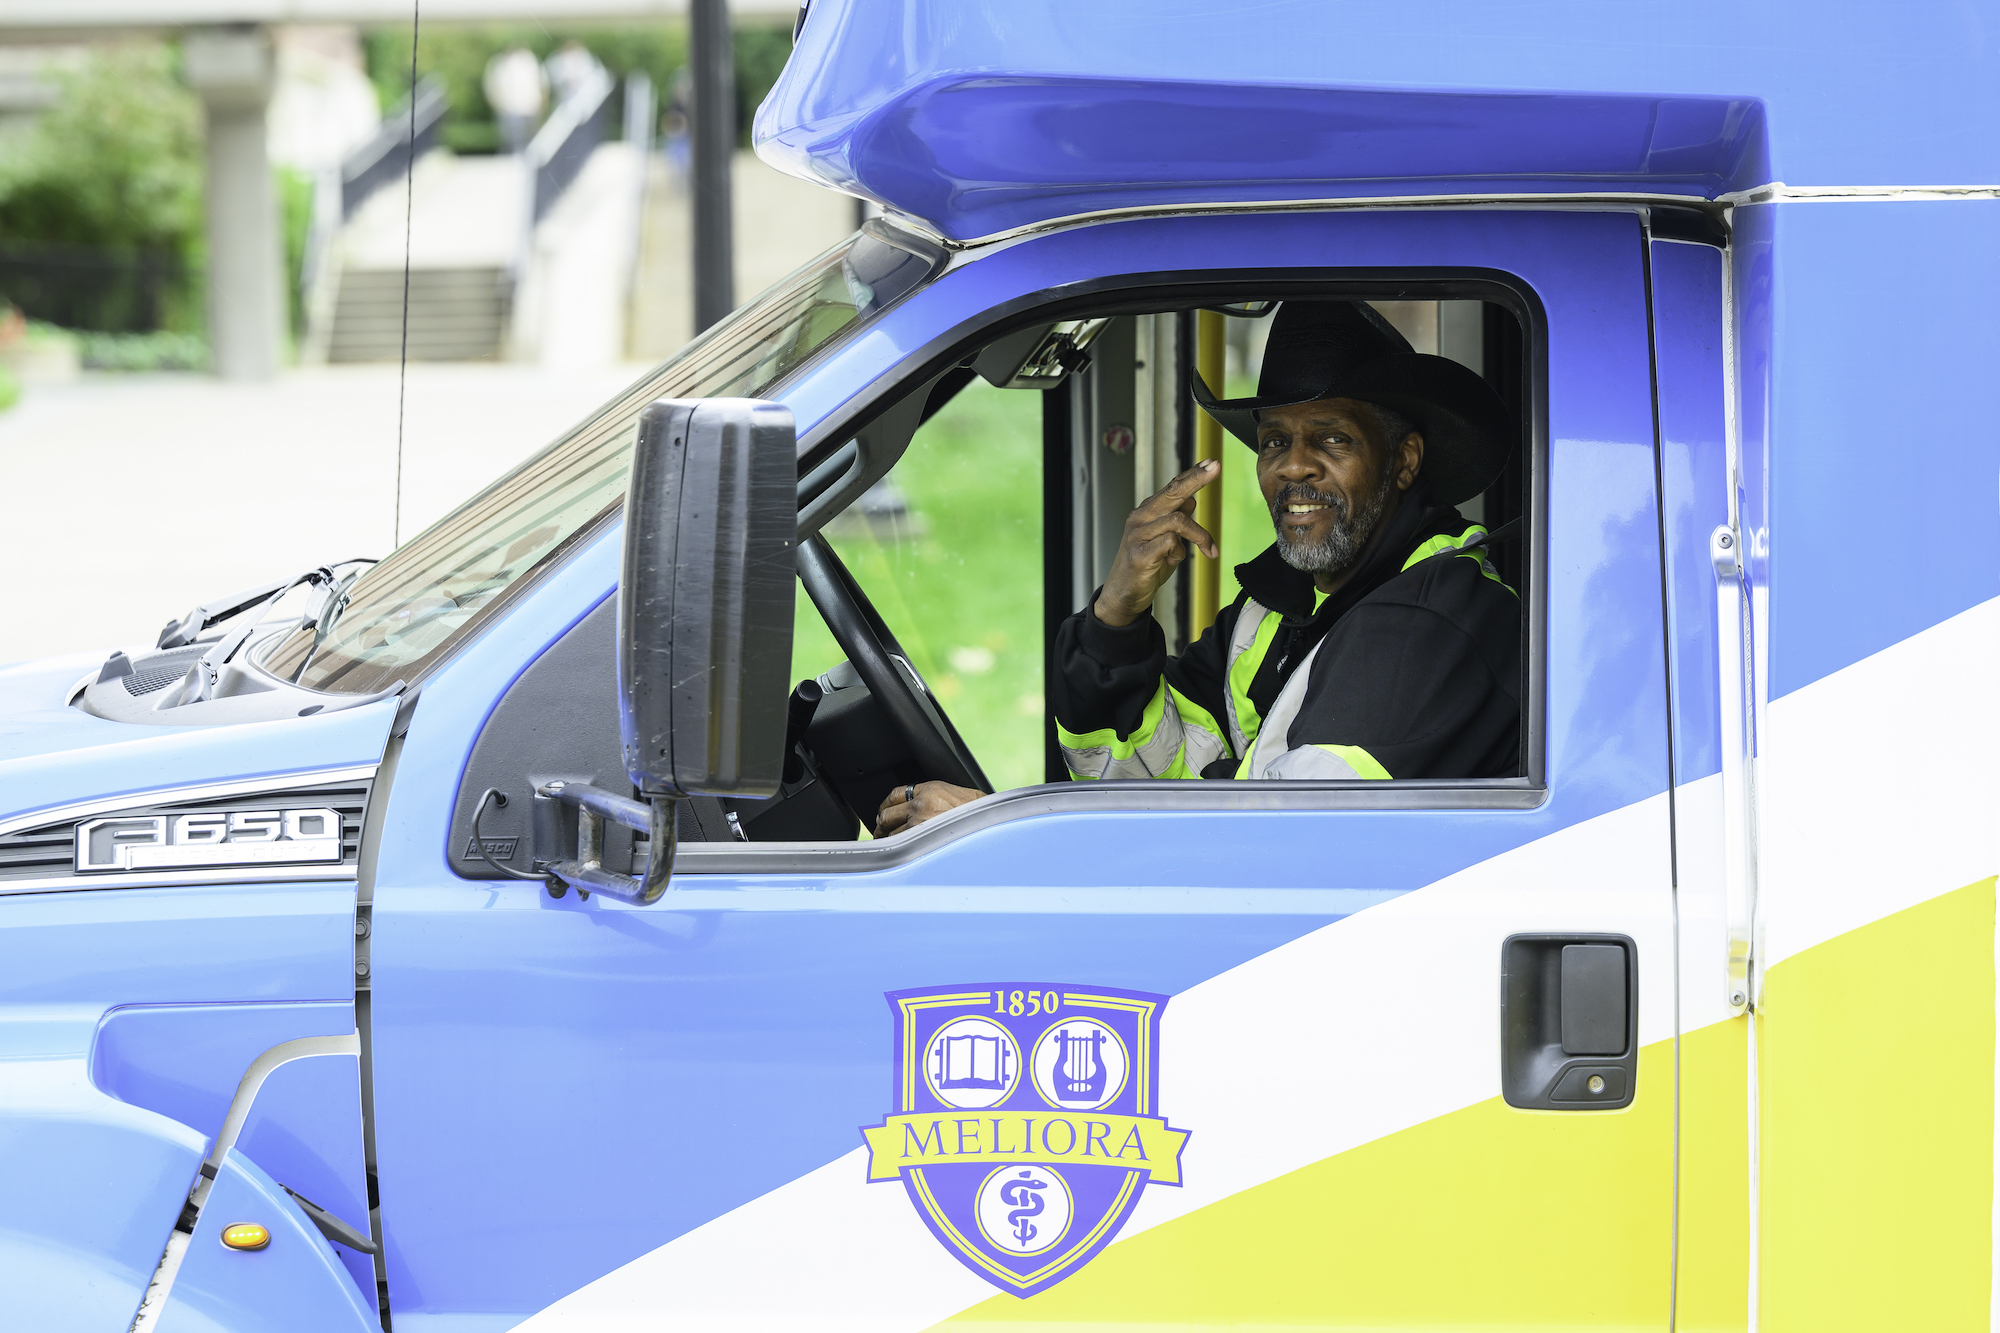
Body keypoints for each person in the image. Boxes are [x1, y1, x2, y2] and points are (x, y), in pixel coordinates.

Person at [876, 300, 1520, 835]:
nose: (1292, 467)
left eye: (1331, 439)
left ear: (1404, 461)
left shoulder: (1429, 622)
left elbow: (1277, 853)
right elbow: (1141, 774)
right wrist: (1117, 618)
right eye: (1274, 442)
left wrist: (990, 828)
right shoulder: (1287, 603)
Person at [483, 46, 546, 155]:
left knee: (529, 137)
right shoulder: (499, 63)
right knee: (511, 137)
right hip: (509, 107)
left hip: (530, 107)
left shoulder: (530, 61)